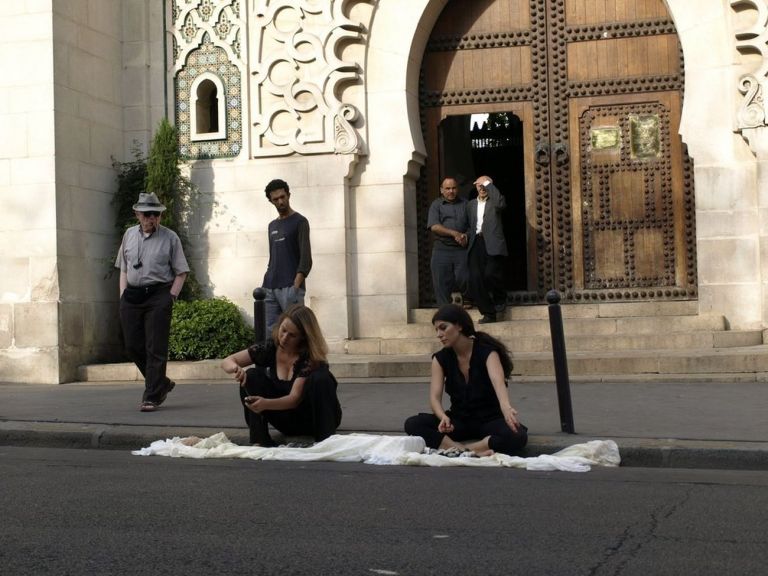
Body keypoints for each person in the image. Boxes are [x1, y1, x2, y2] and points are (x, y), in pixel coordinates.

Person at [404, 304, 527, 456]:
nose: (439, 334)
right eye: (437, 330)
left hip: (489, 419)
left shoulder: (486, 352)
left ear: (459, 326)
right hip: (459, 421)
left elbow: (498, 383)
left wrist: (506, 407)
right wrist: (443, 418)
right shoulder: (440, 358)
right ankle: (456, 448)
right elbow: (434, 398)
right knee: (413, 424)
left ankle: (471, 449)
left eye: (443, 327)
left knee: (517, 436)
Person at [221, 304, 342, 446]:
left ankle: (325, 441)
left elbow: (294, 399)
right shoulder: (271, 347)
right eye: (283, 330)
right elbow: (227, 361)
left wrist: (265, 404)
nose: (284, 338)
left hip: (313, 419)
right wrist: (236, 369)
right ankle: (259, 441)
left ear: (303, 337)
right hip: (287, 421)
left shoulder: (309, 357)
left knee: (321, 377)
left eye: (292, 335)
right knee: (251, 375)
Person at [115, 192, 189, 412]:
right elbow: (124, 268)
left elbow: (181, 272)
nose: (151, 219)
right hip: (132, 296)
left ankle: (152, 396)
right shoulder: (129, 235)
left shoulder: (170, 237)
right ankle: (161, 383)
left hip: (158, 294)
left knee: (155, 346)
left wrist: (171, 296)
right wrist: (122, 295)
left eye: (156, 214)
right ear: (137, 214)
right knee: (131, 345)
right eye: (147, 214)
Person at [262, 179, 312, 332]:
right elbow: (273, 257)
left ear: (289, 195)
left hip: (291, 287)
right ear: (271, 201)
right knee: (271, 333)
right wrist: (265, 283)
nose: (280, 201)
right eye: (276, 199)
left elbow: (306, 258)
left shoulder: (300, 221)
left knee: (295, 331)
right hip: (270, 287)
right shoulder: (272, 226)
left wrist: (296, 286)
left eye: (283, 197)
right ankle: (274, 357)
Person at [466, 175, 508, 323]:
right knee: (475, 279)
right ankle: (489, 313)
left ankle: (500, 298)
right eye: (480, 185)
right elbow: (468, 225)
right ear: (475, 186)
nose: (483, 188)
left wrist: (487, 183)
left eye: (486, 185)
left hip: (492, 243)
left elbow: (500, 204)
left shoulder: (496, 200)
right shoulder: (470, 205)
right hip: (476, 243)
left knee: (491, 274)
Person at [427, 176, 470, 306]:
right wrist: (454, 233)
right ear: (441, 190)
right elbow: (434, 226)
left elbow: (473, 225)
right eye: (447, 188)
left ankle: (468, 299)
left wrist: (465, 236)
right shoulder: (436, 205)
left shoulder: (466, 204)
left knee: (465, 277)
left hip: (461, 249)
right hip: (442, 248)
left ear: (457, 189)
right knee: (441, 281)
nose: (451, 191)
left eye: (453, 188)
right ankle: (444, 310)